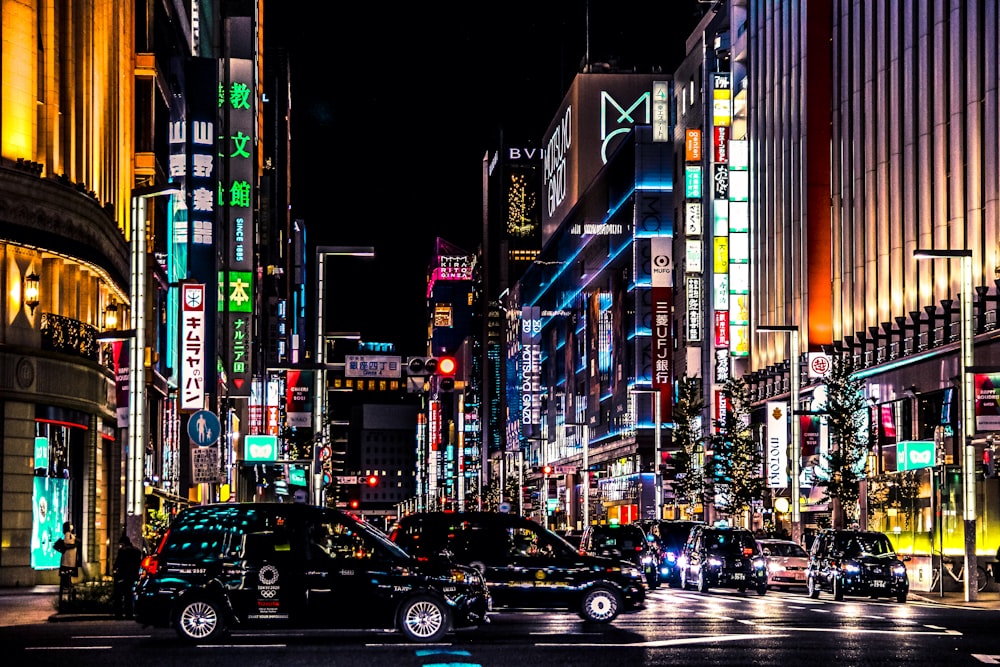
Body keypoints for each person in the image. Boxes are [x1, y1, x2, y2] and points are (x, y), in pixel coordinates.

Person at [113, 534, 143, 619]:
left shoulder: (123, 551)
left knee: (119, 596)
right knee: (129, 596)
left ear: (123, 543)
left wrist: (115, 570)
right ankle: (129, 613)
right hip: (133, 575)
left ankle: (118, 614)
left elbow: (118, 563)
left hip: (123, 575)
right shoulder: (137, 551)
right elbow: (139, 563)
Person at [58, 521, 78, 601]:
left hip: (69, 559)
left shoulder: (69, 535)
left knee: (67, 574)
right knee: (67, 573)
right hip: (68, 559)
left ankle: (68, 584)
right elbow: (66, 544)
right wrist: (75, 544)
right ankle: (67, 585)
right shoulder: (68, 535)